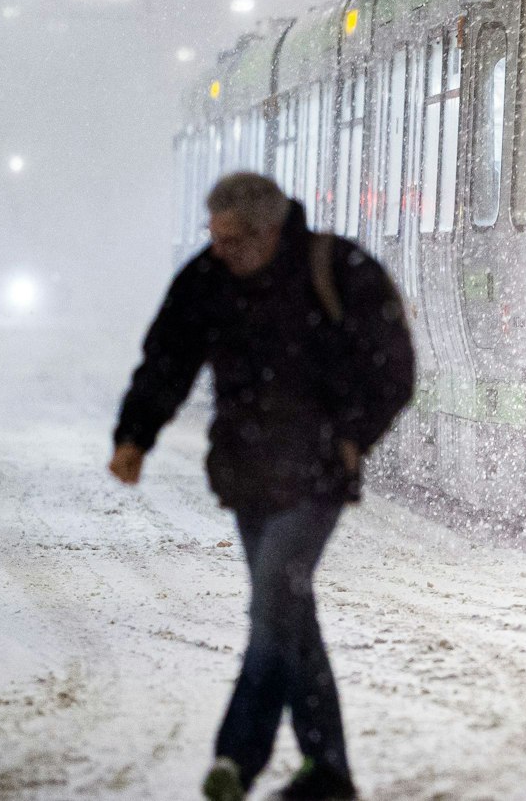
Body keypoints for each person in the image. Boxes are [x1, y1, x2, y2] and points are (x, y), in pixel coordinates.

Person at [107, 173, 416, 801]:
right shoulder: (209, 278)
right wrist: (135, 434)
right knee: (289, 612)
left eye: (232, 239)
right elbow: (168, 358)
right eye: (213, 237)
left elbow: (395, 366)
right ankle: (328, 773)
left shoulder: (338, 269)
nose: (219, 250)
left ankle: (237, 759)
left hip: (317, 476)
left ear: (269, 231)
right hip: (247, 477)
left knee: (275, 595)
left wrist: (354, 434)